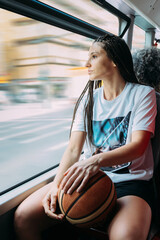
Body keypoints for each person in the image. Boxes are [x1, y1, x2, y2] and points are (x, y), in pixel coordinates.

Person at [14, 34, 157, 240]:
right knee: (23, 216)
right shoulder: (88, 100)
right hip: (88, 178)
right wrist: (56, 186)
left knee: (126, 236)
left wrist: (94, 161)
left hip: (130, 183)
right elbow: (73, 150)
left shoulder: (143, 94)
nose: (86, 63)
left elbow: (138, 146)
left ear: (114, 60)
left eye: (94, 56)